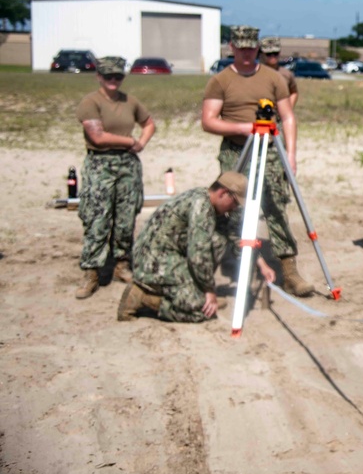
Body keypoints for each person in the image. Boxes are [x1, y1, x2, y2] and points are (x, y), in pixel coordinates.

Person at [201, 25, 314, 297]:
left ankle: (289, 271)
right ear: (232, 47)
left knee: (276, 206)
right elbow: (208, 121)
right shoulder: (221, 80)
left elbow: (287, 117)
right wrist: (243, 128)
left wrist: (291, 154)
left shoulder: (274, 79)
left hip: (271, 151)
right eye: (241, 48)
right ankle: (242, 262)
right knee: (234, 209)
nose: (247, 53)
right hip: (236, 151)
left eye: (252, 48)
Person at [117, 171, 276, 322]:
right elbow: (198, 254)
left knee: (220, 238)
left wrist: (261, 264)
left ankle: (192, 289)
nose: (234, 208)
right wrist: (209, 290)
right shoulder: (201, 206)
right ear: (223, 193)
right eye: (234, 202)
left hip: (161, 254)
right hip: (151, 261)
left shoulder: (206, 199)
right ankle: (141, 297)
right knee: (203, 310)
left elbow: (235, 236)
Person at [74, 56, 156, 299]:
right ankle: (92, 271)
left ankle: (121, 264)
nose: (113, 80)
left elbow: (149, 123)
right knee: (97, 219)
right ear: (99, 76)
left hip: (127, 165)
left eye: (117, 76)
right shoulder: (90, 102)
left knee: (125, 218)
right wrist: (131, 141)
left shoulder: (130, 101)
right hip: (101, 164)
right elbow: (98, 137)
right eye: (108, 76)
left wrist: (141, 141)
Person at [260, 36, 299, 109]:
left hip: (278, 117)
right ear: (261, 54)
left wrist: (288, 109)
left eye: (275, 53)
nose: (273, 56)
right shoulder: (254, 72)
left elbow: (294, 92)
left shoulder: (286, 74)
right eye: (268, 54)